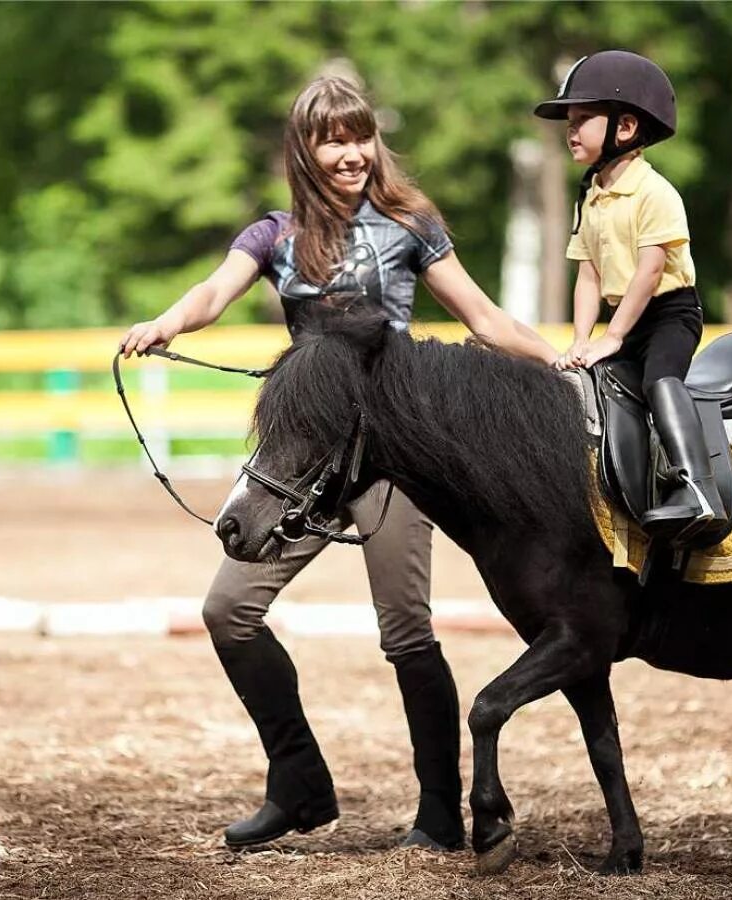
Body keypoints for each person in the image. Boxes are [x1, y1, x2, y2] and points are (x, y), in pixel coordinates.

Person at [119, 76, 558, 851]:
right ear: (306, 150)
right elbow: (213, 293)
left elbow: (484, 318)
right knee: (228, 612)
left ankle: (438, 815)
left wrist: (563, 359)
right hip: (307, 459)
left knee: (406, 633)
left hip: (391, 457)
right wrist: (165, 322)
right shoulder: (275, 236)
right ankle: (298, 783)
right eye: (333, 139)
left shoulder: (410, 224)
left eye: (360, 136)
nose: (351, 152)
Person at [539, 50, 726, 541]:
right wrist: (580, 341)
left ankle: (698, 488)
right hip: (625, 320)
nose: (571, 130)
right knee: (593, 391)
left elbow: (650, 271)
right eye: (569, 122)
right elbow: (588, 277)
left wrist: (613, 336)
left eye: (583, 120)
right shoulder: (593, 194)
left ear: (624, 128)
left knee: (661, 383)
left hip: (668, 315)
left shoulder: (654, 193)